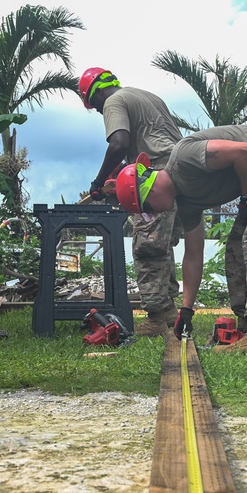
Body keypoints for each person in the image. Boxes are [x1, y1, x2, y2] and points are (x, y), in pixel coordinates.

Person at [114, 124, 247, 352]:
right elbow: (193, 256)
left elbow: (243, 152)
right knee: (236, 249)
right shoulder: (186, 204)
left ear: (149, 190)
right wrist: (186, 310)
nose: (155, 214)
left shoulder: (182, 159)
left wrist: (245, 201)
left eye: (148, 209)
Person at [78, 67, 183, 336]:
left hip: (155, 176)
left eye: (95, 106)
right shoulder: (146, 96)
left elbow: (119, 143)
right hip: (180, 172)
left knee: (146, 247)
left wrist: (98, 182)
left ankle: (157, 318)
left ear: (97, 93)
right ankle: (169, 310)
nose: (100, 112)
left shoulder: (113, 100)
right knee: (163, 247)